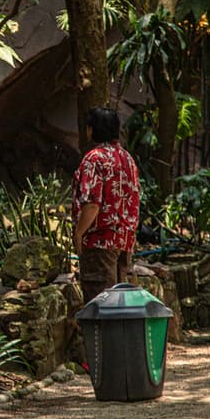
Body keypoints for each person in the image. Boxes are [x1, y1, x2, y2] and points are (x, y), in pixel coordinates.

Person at [72, 107, 141, 303]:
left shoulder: (94, 159)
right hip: (124, 242)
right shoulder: (128, 159)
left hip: (99, 242)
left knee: (101, 305)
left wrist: (79, 233)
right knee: (119, 304)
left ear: (91, 130)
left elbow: (93, 203)